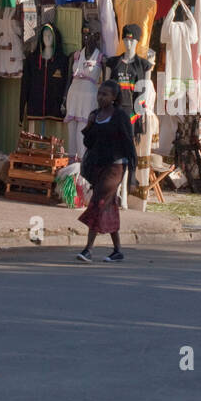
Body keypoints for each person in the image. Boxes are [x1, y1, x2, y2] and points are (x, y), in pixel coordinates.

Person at [76, 79, 136, 263]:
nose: (100, 97)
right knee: (108, 205)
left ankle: (88, 249)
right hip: (97, 166)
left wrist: (132, 176)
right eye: (99, 93)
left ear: (114, 97)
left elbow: (129, 145)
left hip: (115, 166)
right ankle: (117, 250)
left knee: (98, 202)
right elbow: (89, 143)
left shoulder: (120, 116)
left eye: (105, 94)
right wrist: (90, 125)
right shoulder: (95, 114)